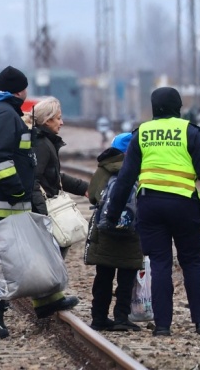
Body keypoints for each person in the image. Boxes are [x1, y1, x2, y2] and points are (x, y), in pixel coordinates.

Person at [0, 66, 78, 341]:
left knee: (19, 252)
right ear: (21, 90)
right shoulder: (4, 115)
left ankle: (45, 299)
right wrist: (16, 192)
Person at [105, 86, 200, 337]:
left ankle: (162, 326)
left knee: (160, 264)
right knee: (192, 262)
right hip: (184, 205)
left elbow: (125, 178)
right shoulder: (189, 131)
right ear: (178, 107)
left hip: (150, 207)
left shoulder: (142, 133)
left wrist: (111, 214)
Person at [84, 132, 143, 332]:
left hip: (104, 231)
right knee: (126, 276)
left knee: (104, 276)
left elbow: (92, 196)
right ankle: (121, 317)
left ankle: (99, 316)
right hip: (131, 233)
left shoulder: (103, 169)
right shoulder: (138, 169)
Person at [25, 96, 89, 257]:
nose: (62, 123)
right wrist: (44, 217)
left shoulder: (44, 141)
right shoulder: (42, 144)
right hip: (46, 212)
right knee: (51, 258)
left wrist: (83, 188)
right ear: (47, 121)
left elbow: (52, 176)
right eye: (58, 119)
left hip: (42, 211)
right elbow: (33, 180)